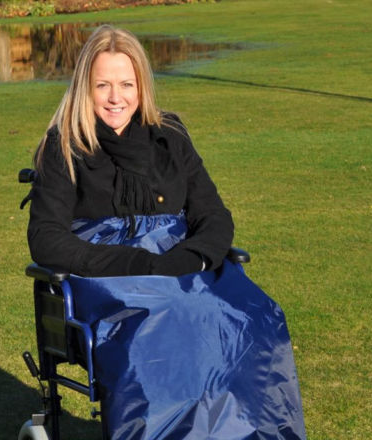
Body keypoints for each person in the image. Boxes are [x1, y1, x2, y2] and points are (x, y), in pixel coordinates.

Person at [27, 24, 234, 277]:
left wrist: (192, 259)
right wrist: (140, 265)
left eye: (126, 84)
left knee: (252, 314)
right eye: (102, 85)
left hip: (184, 276)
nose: (116, 98)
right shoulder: (65, 147)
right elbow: (46, 238)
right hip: (109, 287)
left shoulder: (170, 136)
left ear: (141, 87)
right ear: (85, 88)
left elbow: (213, 214)